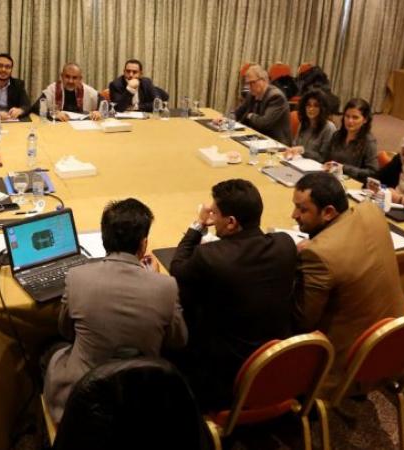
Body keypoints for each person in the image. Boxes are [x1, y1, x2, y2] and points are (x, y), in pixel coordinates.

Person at [43, 198, 187, 424]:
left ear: (104, 239)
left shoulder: (77, 277)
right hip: (144, 400)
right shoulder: (166, 286)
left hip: (82, 400)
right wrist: (154, 280)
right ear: (143, 244)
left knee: (49, 350)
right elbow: (178, 341)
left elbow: (66, 331)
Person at [169, 179, 297, 410]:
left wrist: (198, 226)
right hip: (279, 361)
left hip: (226, 373)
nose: (212, 217)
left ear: (231, 222)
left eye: (215, 213)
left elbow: (177, 269)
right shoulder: (285, 244)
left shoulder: (210, 256)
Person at [290, 172, 404, 392]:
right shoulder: (371, 209)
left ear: (328, 212)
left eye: (302, 209)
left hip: (349, 362)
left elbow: (303, 321)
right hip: (397, 342)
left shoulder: (319, 255)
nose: (294, 215)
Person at [217, 64, 292, 145]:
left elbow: (263, 124)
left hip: (275, 142)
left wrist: (250, 115)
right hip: (256, 138)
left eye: (252, 82)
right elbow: (237, 112)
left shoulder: (276, 97)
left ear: (263, 80)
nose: (249, 87)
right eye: (247, 83)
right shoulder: (252, 94)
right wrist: (225, 119)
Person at [321, 97, 378, 182]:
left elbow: (372, 172)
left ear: (365, 120)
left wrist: (344, 168)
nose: (350, 121)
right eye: (347, 116)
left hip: (352, 184)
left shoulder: (369, 142)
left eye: (355, 117)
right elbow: (326, 158)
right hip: (332, 178)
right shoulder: (337, 135)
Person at [34, 63, 102, 121]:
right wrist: (53, 114)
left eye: (74, 78)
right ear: (62, 76)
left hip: (82, 126)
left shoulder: (87, 90)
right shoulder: (53, 89)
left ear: (80, 79)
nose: (70, 81)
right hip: (59, 125)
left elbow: (104, 104)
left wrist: (99, 112)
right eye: (67, 77)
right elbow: (36, 107)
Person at [295, 89, 337, 162]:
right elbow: (295, 144)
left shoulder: (329, 128)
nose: (311, 109)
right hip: (298, 162)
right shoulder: (304, 123)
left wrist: (303, 150)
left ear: (322, 108)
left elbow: (323, 158)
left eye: (316, 106)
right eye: (308, 105)